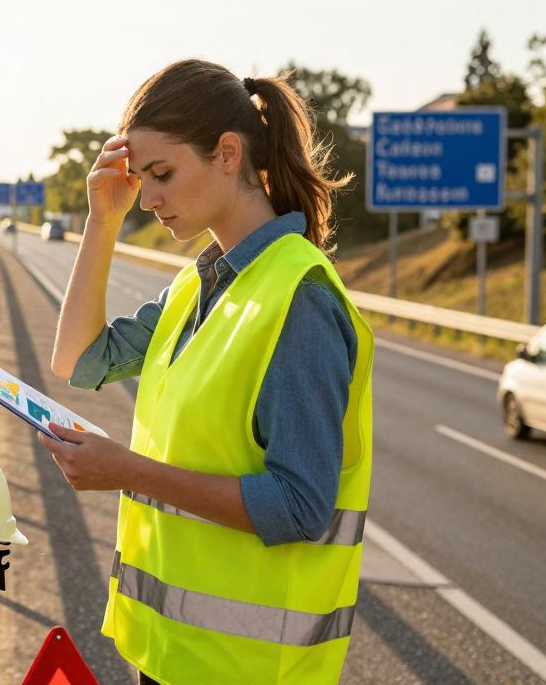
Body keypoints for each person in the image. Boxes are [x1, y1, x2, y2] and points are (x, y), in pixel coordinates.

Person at [41, 59, 374, 684]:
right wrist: (102, 219)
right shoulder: (197, 284)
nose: (152, 198)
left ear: (227, 153)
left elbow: (301, 506)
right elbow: (78, 361)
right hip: (172, 657)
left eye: (162, 174)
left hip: (247, 671)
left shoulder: (299, 298)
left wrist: (124, 470)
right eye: (142, 179)